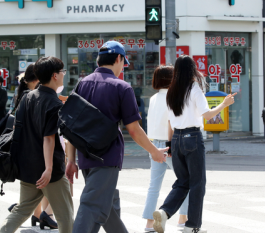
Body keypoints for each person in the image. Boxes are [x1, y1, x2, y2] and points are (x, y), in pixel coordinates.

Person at [65, 41, 167, 233]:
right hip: (107, 157)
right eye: (123, 62)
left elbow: (70, 126)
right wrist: (154, 152)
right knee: (91, 205)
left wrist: (70, 159)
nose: (122, 67)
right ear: (119, 59)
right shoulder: (122, 87)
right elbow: (134, 130)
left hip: (85, 157)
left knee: (106, 206)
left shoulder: (81, 84)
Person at [152, 55, 236, 233]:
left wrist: (170, 143)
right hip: (192, 137)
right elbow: (207, 116)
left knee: (182, 181)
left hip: (176, 140)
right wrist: (225, 104)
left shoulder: (171, 91)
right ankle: (192, 226)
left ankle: (164, 212)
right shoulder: (194, 88)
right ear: (192, 70)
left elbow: (170, 121)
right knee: (197, 183)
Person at [0, 56, 74, 233]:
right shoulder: (53, 104)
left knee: (21, 210)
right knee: (65, 217)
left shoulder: (28, 96)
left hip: (27, 166)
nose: (64, 74)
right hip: (50, 171)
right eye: (62, 71)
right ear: (55, 75)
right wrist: (48, 169)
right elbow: (49, 138)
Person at [7, 64, 58, 229]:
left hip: (26, 155)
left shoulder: (24, 96)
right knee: (56, 198)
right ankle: (45, 215)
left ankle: (38, 215)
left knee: (26, 202)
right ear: (37, 79)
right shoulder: (36, 97)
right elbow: (47, 136)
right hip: (39, 153)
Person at [143, 66, 189, 232]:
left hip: (154, 144)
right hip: (170, 144)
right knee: (184, 182)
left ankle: (149, 223)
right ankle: (183, 218)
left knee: (154, 186)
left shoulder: (154, 98)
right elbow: (172, 122)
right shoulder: (174, 97)